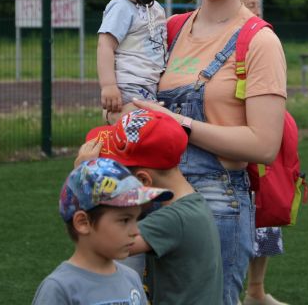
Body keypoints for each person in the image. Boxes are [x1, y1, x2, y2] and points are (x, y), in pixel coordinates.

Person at [133, 0, 288, 305]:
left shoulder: (258, 41)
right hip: (151, 193)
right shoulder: (169, 28)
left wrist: (179, 124)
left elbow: (264, 145)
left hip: (217, 201)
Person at [81, 109, 224, 304]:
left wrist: (85, 177)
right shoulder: (190, 203)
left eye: (114, 176)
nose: (110, 181)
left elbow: (103, 244)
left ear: (142, 180)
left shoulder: (174, 219)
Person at [32, 157, 171, 304]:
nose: (136, 231)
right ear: (83, 223)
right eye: (125, 220)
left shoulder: (132, 279)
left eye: (136, 219)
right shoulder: (60, 288)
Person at [238, 0, 290, 305]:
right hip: (235, 150)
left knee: (266, 220)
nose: (253, 12)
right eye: (247, 6)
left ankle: (256, 289)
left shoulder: (265, 41)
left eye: (256, 5)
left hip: (263, 153)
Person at [97, 0, 166, 123]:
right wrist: (109, 85)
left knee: (149, 128)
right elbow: (105, 46)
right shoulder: (121, 8)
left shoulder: (157, 9)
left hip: (150, 86)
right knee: (142, 123)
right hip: (128, 84)